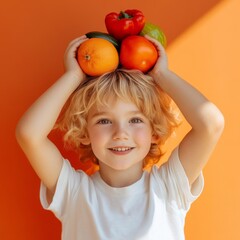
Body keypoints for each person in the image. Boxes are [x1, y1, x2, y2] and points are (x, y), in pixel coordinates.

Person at [15, 35, 224, 240]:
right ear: (85, 133)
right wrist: (73, 76)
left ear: (155, 132)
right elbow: (29, 134)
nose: (120, 134)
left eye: (135, 120)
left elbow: (211, 125)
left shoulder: (168, 188)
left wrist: (162, 74)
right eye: (104, 121)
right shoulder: (74, 193)